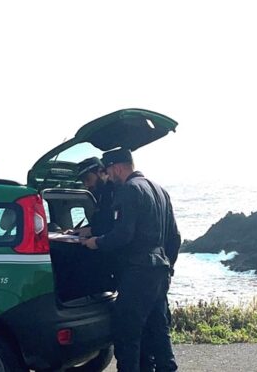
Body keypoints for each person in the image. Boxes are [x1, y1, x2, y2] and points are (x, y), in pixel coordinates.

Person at [82, 148, 179, 372]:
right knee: (159, 333)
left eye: (107, 171)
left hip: (138, 272)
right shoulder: (160, 190)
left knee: (127, 336)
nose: (107, 176)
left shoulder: (129, 190)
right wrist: (168, 267)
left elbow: (123, 235)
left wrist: (96, 242)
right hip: (160, 271)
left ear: (117, 167)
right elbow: (175, 237)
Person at [71, 157, 116, 237]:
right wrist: (75, 231)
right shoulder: (99, 195)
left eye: (88, 179)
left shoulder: (115, 192)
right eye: (83, 181)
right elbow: (97, 223)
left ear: (100, 172)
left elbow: (115, 226)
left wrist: (92, 231)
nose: (86, 185)